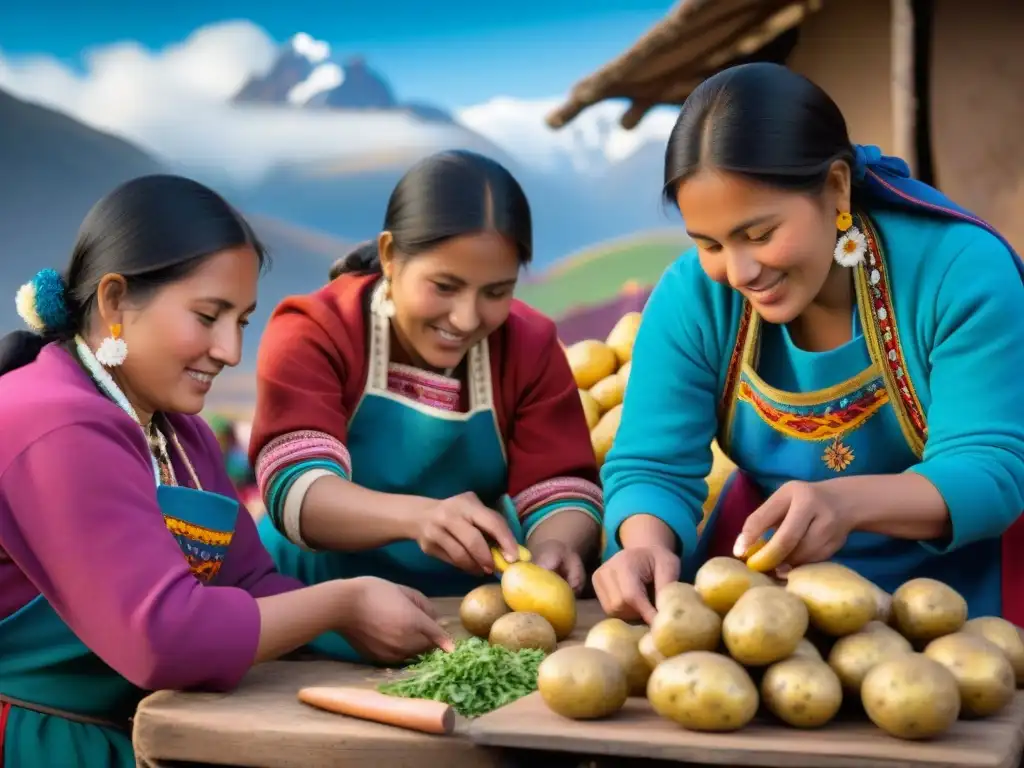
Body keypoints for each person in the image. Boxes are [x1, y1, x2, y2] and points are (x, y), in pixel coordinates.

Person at [0, 175, 452, 767]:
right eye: (208, 316)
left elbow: (252, 586)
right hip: (41, 744)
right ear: (114, 302)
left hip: (134, 732)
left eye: (240, 321)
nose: (231, 351)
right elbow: (164, 640)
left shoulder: (179, 433)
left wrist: (403, 630)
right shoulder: (57, 426)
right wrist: (342, 604)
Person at [592, 63, 1024, 627]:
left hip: (962, 605)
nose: (739, 270)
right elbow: (652, 466)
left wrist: (844, 503)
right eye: (709, 243)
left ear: (837, 187)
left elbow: (989, 469)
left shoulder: (959, 272)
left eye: (760, 234)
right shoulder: (694, 297)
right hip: (765, 603)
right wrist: (642, 543)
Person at [249, 150, 603, 658]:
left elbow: (560, 488)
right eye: (445, 286)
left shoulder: (529, 346)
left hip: (466, 618)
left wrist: (557, 545)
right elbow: (297, 492)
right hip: (310, 607)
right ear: (391, 256)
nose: (465, 318)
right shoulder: (317, 330)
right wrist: (421, 518)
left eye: (496, 292)